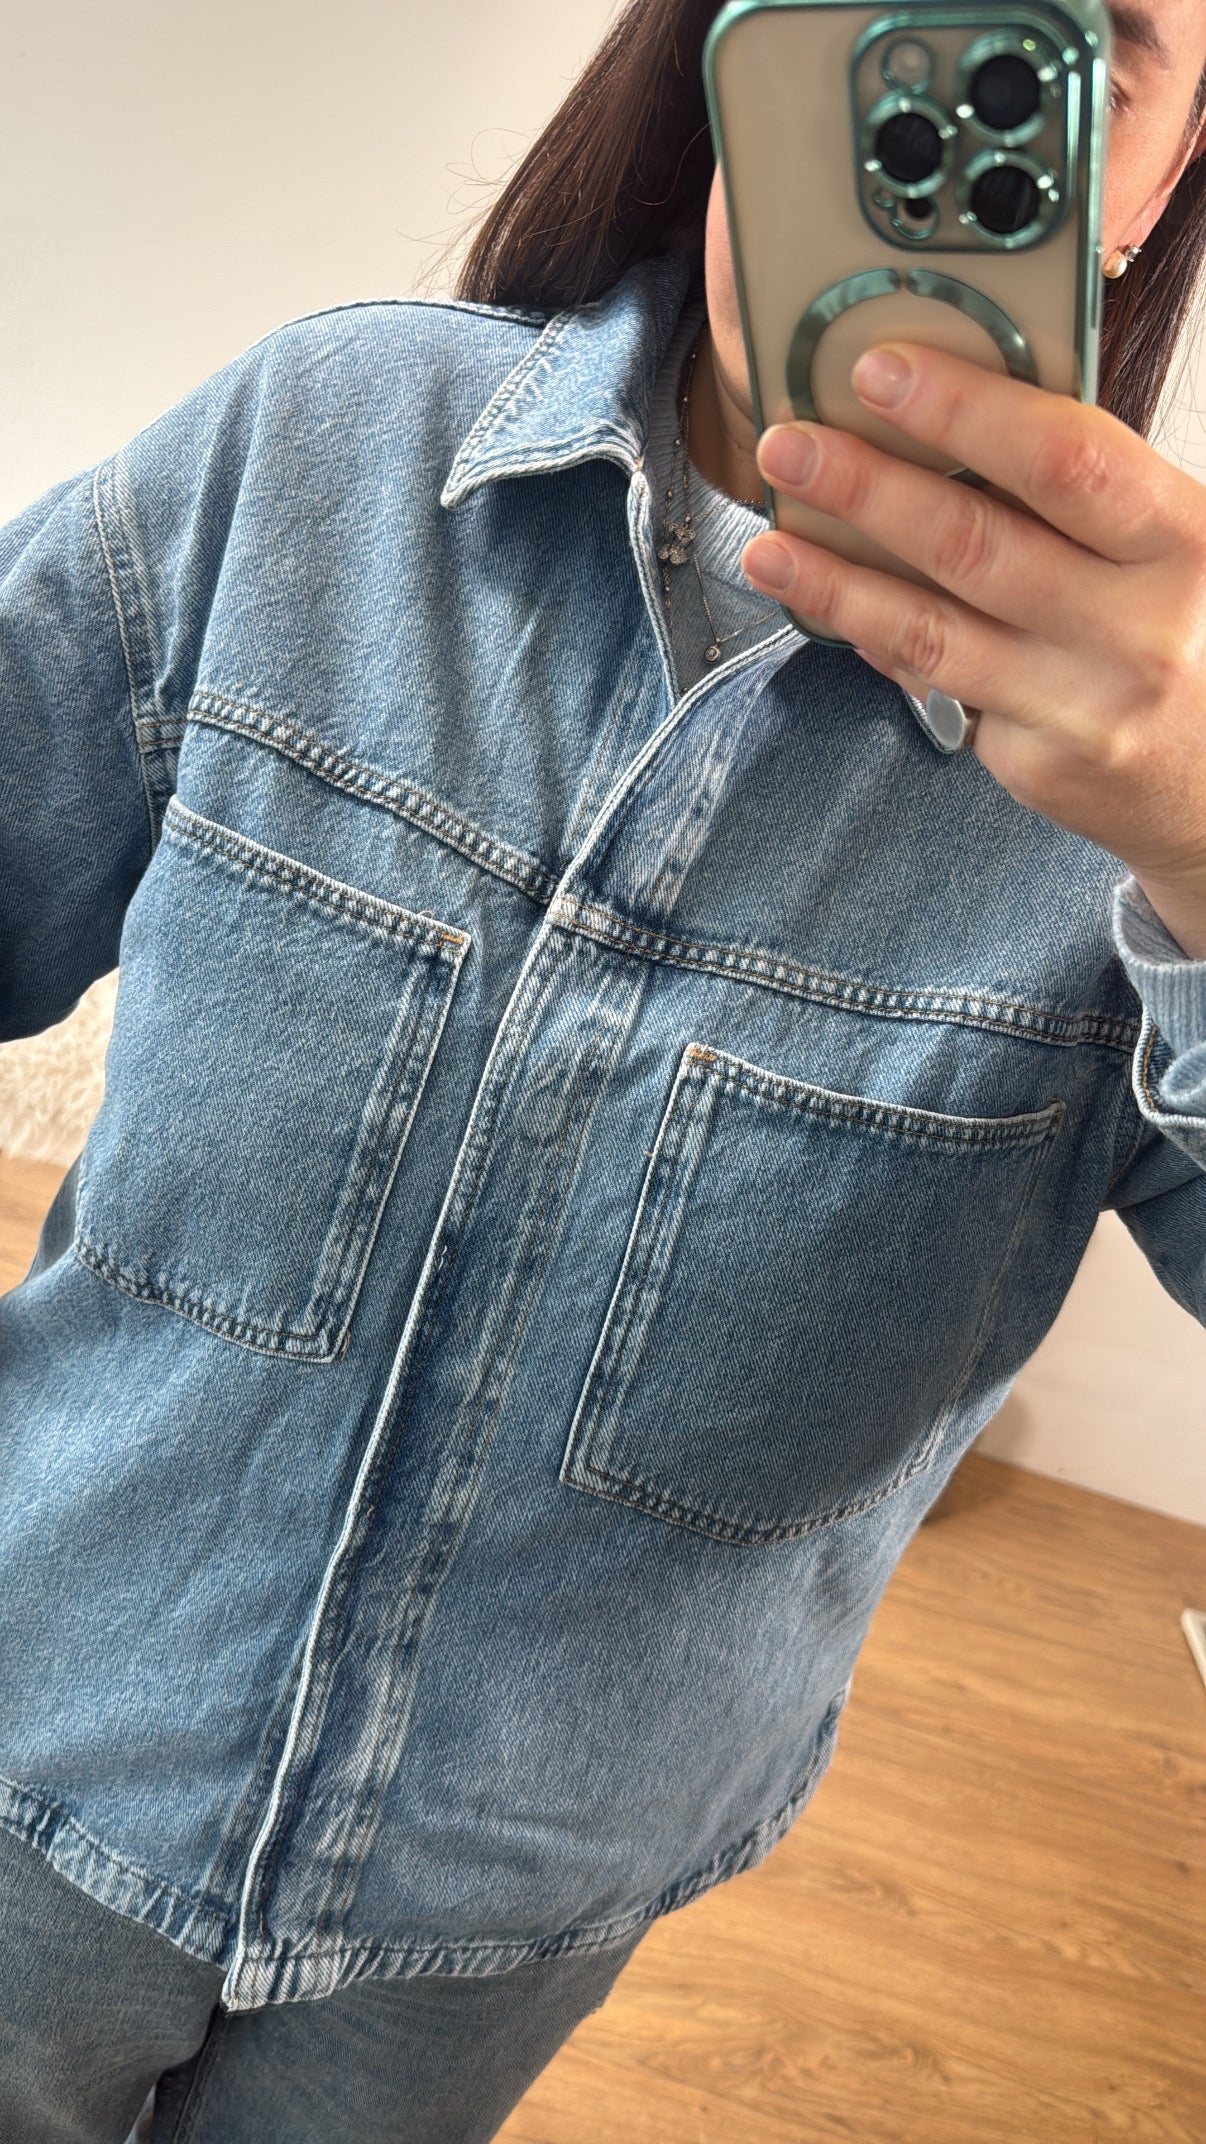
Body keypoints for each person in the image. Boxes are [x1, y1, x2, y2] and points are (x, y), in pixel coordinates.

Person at [3, 0, 1206, 2137]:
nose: (945, 82)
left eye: (1089, 42)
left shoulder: (1163, 797)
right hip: (32, 1726)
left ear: (1154, 182)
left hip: (504, 1914)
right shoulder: (325, 447)